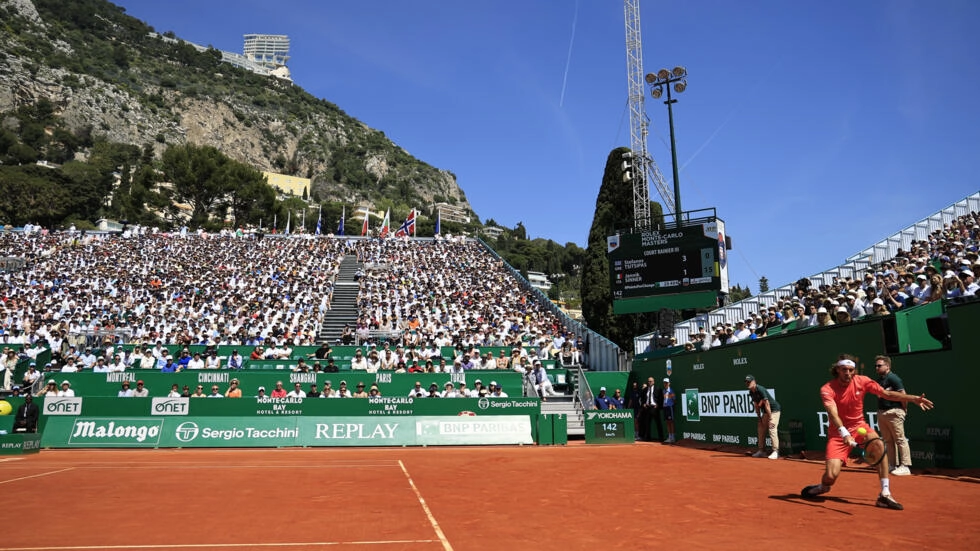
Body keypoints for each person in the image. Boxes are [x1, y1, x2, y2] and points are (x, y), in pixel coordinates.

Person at [801, 355, 934, 510]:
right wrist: (844, 433)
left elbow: (887, 394)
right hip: (838, 434)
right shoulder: (827, 389)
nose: (848, 373)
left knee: (879, 445)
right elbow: (833, 413)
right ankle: (823, 487)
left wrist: (912, 398)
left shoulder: (862, 381)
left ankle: (885, 494)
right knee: (831, 476)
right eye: (844, 370)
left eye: (851, 370)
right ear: (837, 370)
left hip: (859, 427)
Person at [875, 355, 912, 476]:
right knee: (888, 441)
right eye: (876, 366)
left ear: (887, 366)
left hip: (894, 412)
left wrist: (903, 409)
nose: (877, 367)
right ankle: (892, 465)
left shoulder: (894, 378)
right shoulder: (880, 379)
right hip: (882, 412)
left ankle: (905, 466)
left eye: (879, 365)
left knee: (900, 439)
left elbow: (903, 395)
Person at [745, 374, 780, 459]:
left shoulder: (760, 389)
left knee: (772, 428)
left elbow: (767, 404)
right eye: (746, 382)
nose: (747, 383)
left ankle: (776, 451)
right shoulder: (751, 392)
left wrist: (771, 417)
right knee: (761, 428)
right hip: (765, 412)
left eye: (749, 382)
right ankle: (761, 451)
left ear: (754, 382)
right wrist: (759, 418)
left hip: (774, 411)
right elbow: (756, 405)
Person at [639, 376, 664, 443]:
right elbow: (642, 399)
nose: (649, 382)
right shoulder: (645, 389)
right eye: (648, 381)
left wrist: (658, 405)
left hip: (655, 408)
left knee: (658, 423)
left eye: (650, 381)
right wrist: (643, 404)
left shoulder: (658, 389)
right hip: (647, 408)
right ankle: (647, 438)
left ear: (653, 382)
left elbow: (661, 398)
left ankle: (661, 438)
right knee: (647, 423)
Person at [662, 378, 676, 443]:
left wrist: (671, 405)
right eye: (664, 383)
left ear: (669, 383)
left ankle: (673, 438)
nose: (665, 384)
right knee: (667, 422)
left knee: (671, 422)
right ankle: (669, 437)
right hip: (665, 408)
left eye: (667, 383)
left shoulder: (671, 391)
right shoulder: (663, 391)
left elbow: (674, 399)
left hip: (670, 408)